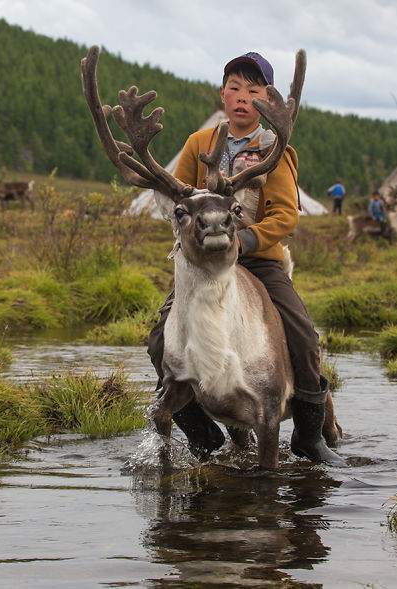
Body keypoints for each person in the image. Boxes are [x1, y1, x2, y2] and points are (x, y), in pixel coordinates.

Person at [147, 51, 343, 465]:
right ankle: (203, 434)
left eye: (252, 92)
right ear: (222, 93)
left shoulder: (276, 149)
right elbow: (175, 195)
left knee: (304, 337)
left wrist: (246, 243)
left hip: (257, 262)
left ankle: (309, 435)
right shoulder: (198, 143)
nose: (241, 98)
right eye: (234, 89)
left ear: (267, 99)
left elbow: (286, 215)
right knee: (159, 341)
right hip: (204, 266)